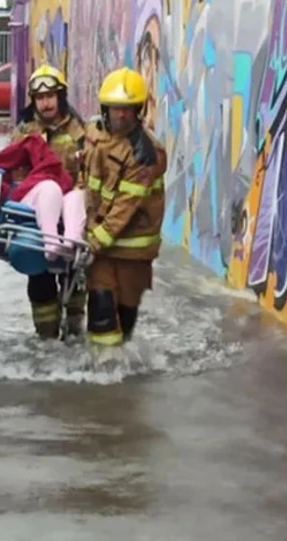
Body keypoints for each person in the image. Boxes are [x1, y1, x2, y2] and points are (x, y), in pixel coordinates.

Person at [82, 67, 167, 348]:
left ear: (138, 110)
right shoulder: (94, 131)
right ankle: (103, 368)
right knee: (101, 312)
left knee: (125, 319)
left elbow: (123, 209)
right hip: (102, 247)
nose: (121, 115)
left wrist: (92, 243)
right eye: (116, 108)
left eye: (128, 109)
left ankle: (120, 366)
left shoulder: (146, 153)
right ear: (105, 108)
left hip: (132, 250)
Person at [8, 64, 88, 339]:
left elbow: (91, 173)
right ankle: (46, 341)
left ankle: (74, 330)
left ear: (60, 96)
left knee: (76, 280)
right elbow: (16, 179)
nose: (45, 103)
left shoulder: (80, 131)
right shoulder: (24, 132)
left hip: (72, 213)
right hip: (38, 219)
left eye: (50, 96)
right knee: (40, 281)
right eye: (40, 98)